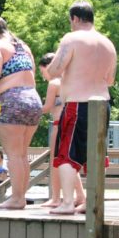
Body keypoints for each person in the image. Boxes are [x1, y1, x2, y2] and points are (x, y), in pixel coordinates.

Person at [47, 0, 117, 215]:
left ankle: (67, 203)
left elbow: (54, 70)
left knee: (67, 155)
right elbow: (110, 80)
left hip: (78, 104)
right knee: (95, 155)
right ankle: (93, 202)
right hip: (102, 104)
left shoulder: (72, 38)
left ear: (75, 19)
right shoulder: (108, 44)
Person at [0, 15, 43, 209]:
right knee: (22, 154)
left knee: (14, 155)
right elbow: (30, 74)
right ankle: (20, 197)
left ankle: (17, 198)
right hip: (33, 99)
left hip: (13, 101)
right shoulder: (23, 47)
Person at [38, 53, 85, 208]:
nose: (42, 75)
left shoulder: (54, 83)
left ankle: (56, 197)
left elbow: (46, 108)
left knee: (57, 161)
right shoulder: (69, 80)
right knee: (69, 161)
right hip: (70, 122)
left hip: (59, 124)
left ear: (49, 67)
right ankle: (80, 195)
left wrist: (28, 108)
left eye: (42, 70)